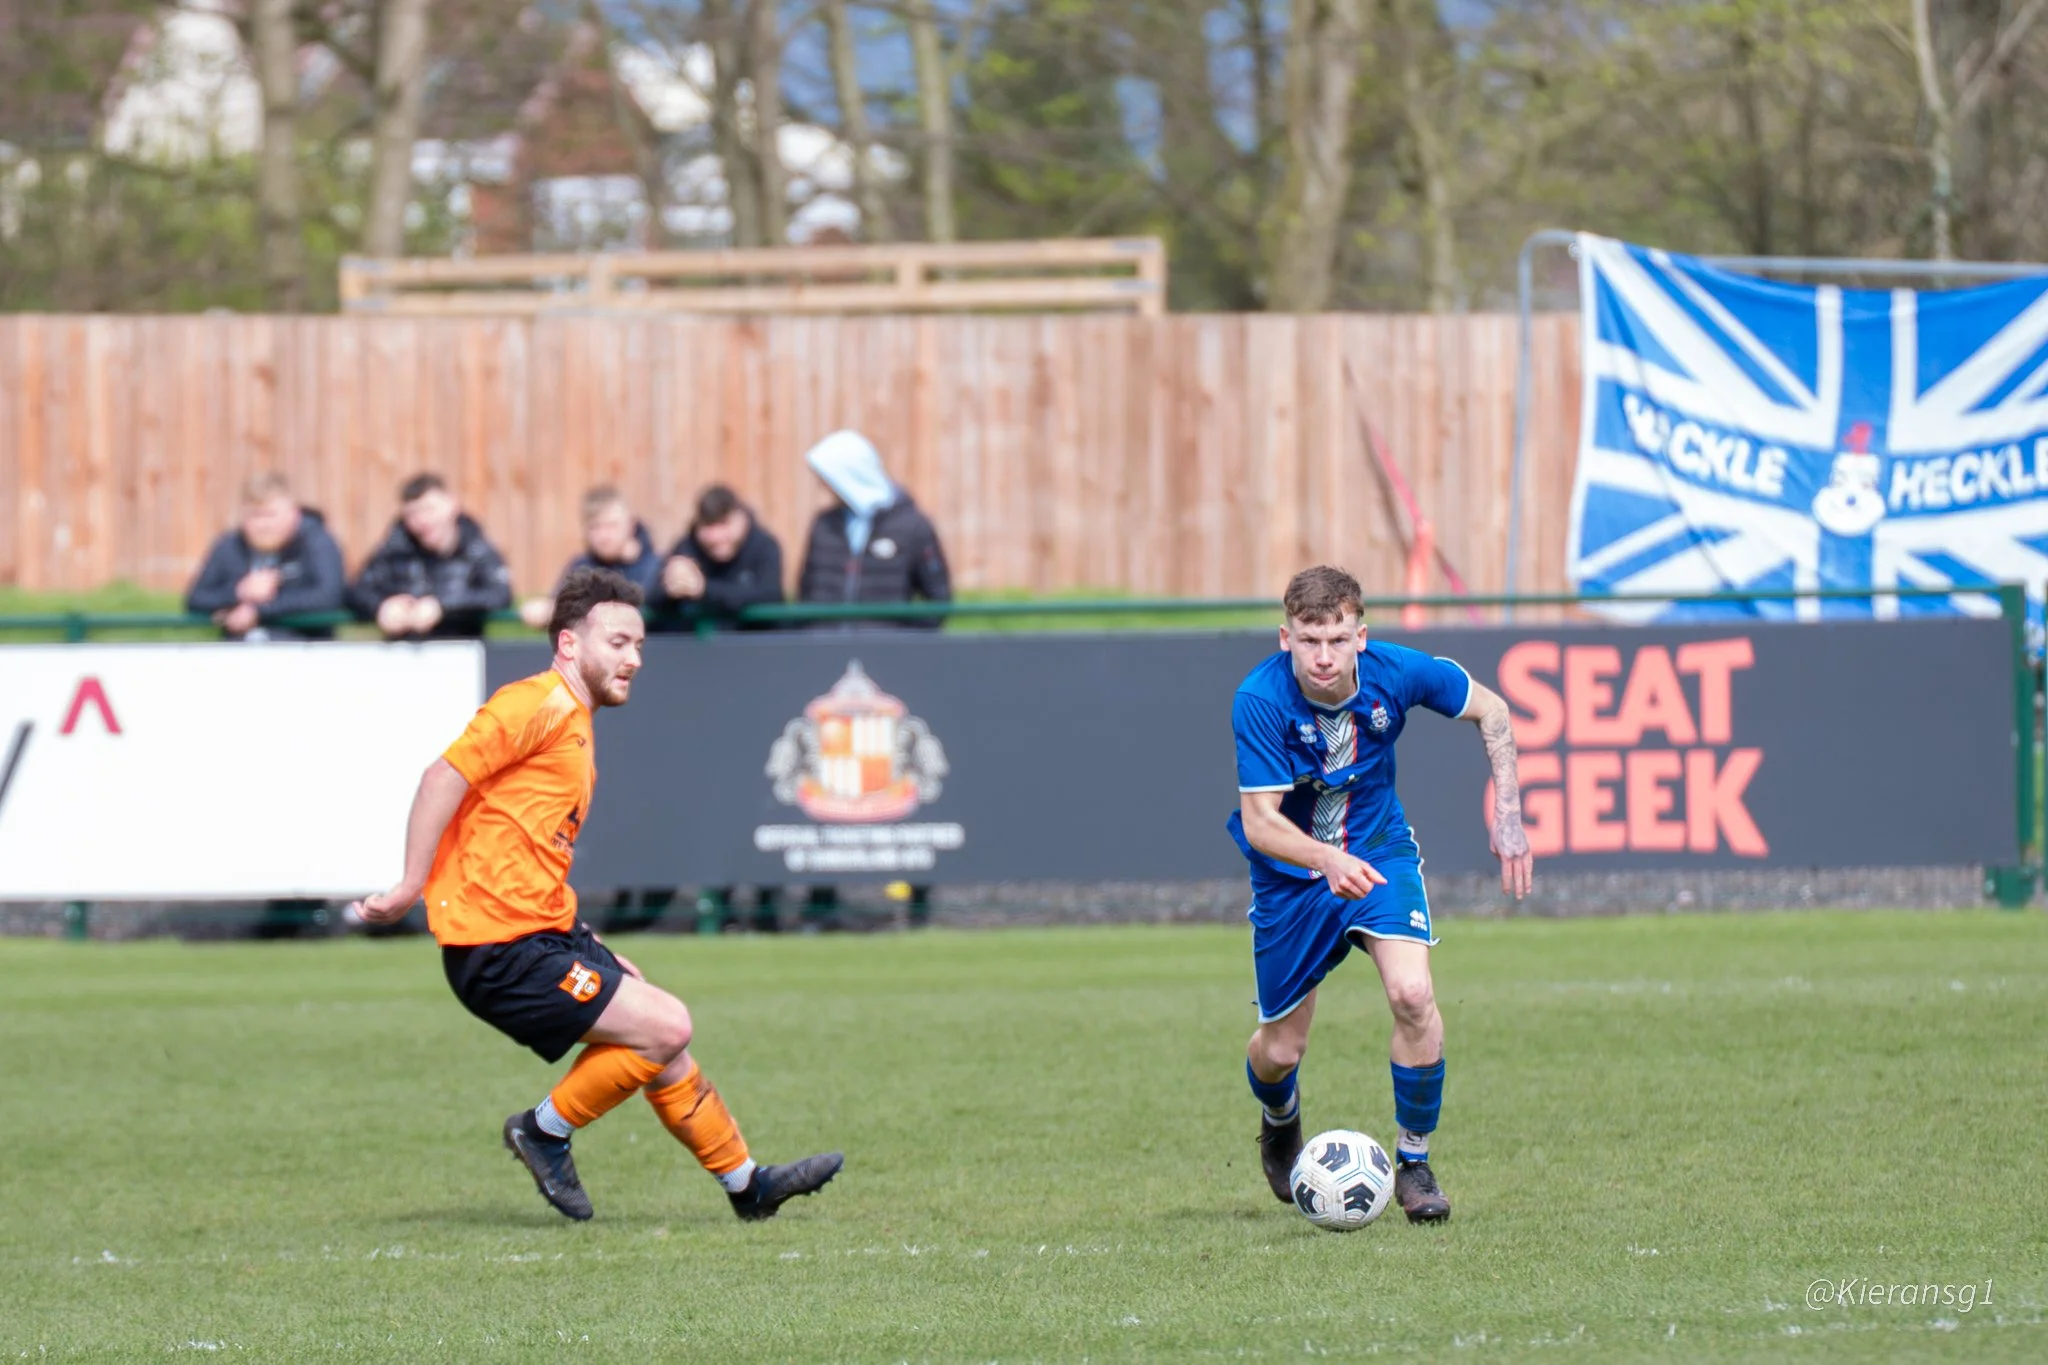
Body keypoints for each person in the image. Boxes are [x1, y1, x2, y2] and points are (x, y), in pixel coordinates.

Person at [348, 567, 843, 1222]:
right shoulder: (536, 704)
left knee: (660, 1041)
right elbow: (441, 776)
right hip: (497, 945)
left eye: (639, 645)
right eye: (617, 642)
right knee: (667, 1023)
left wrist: (590, 940)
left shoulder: (574, 723)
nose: (633, 658)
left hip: (539, 929)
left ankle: (746, 1184)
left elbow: (528, 845)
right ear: (568, 644)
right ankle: (543, 1129)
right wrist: (410, 884)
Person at [1229, 564, 1532, 1224]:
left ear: (1361, 635)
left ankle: (1415, 1161)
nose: (1324, 656)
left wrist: (1508, 814)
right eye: (1310, 640)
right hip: (1291, 876)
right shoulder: (1259, 699)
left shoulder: (1399, 672)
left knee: (1413, 993)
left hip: (1379, 851)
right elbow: (1260, 821)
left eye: (1338, 639)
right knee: (1280, 1050)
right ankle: (1280, 1116)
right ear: (1286, 639)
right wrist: (1324, 859)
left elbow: (1493, 709)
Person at [796, 430, 950, 630]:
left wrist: (904, 641)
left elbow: (937, 596)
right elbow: (806, 591)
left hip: (885, 654)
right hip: (828, 652)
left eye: (828, 478)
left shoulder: (913, 527)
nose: (823, 485)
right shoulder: (824, 526)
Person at [349, 473, 513, 640]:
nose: (422, 521)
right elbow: (357, 591)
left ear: (452, 504)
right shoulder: (395, 550)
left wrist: (442, 607)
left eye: (428, 509)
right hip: (400, 655)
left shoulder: (476, 549)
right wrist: (381, 607)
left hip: (462, 655)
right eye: (412, 514)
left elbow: (499, 594)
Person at [184, 473, 347, 640]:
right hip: (238, 652)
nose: (264, 525)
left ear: (294, 514)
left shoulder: (317, 543)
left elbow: (329, 596)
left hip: (304, 649)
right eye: (255, 515)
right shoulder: (229, 546)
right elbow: (196, 599)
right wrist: (239, 591)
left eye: (270, 514)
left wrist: (259, 610)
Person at [519, 486, 664, 632]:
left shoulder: (657, 567)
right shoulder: (581, 567)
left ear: (631, 524)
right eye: (595, 527)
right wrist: (548, 609)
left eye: (611, 525)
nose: (604, 536)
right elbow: (558, 605)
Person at [654, 483, 786, 633]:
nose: (715, 537)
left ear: (741, 519)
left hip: (756, 646)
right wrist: (672, 586)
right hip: (697, 650)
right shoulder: (687, 547)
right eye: (708, 527)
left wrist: (704, 589)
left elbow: (769, 596)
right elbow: (654, 600)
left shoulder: (764, 546)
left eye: (723, 525)